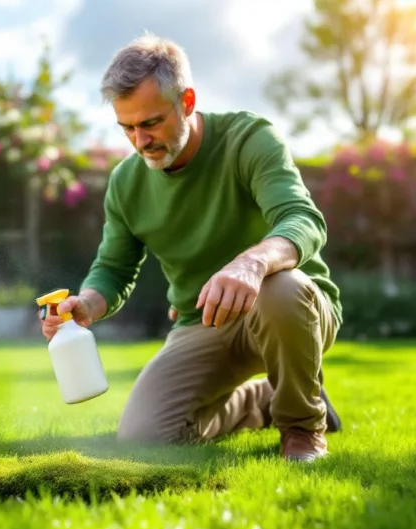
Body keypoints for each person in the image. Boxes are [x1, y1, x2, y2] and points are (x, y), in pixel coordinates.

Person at [38, 33, 344, 462]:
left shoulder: (249, 140)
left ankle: (302, 426)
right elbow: (113, 268)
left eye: (150, 123)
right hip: (202, 323)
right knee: (145, 438)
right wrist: (87, 304)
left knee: (282, 287)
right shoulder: (126, 182)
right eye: (127, 127)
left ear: (186, 101)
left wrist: (253, 263)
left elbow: (303, 219)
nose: (140, 141)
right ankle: (262, 401)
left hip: (289, 311)